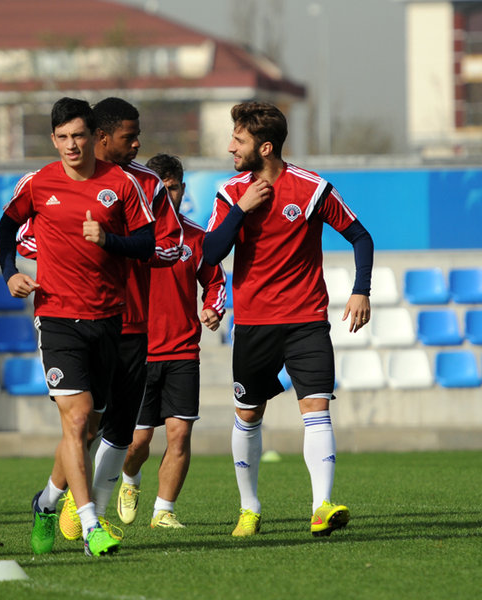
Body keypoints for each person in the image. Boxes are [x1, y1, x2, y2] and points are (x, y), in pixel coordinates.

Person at [202, 101, 374, 537]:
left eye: (238, 140)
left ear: (265, 147)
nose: (230, 147)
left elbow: (360, 237)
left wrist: (361, 290)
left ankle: (321, 506)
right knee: (248, 414)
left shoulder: (312, 188)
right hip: (254, 323)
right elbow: (210, 253)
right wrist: (241, 209)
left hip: (306, 321)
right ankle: (249, 508)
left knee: (316, 408)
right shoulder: (230, 193)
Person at [0, 97, 155, 557]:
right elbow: (5, 229)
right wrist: (10, 273)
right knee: (78, 417)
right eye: (63, 137)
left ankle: (46, 503)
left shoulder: (121, 184)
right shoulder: (38, 183)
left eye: (78, 136)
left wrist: (109, 240)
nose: (71, 145)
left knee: (87, 429)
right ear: (53, 139)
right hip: (57, 316)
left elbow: (147, 243)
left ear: (93, 137)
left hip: (107, 319)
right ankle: (90, 527)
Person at [39, 98, 183, 542]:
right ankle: (57, 503)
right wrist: (70, 245)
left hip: (133, 321)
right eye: (129, 136)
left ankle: (89, 517)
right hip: (77, 315)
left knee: (119, 430)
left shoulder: (147, 185)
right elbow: (27, 236)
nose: (137, 144)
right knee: (82, 424)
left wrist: (116, 243)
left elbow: (170, 245)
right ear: (100, 137)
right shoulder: (55, 183)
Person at [117, 153, 226, 529]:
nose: (169, 195)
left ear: (183, 189)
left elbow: (215, 282)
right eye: (161, 189)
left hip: (183, 351)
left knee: (179, 434)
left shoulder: (195, 238)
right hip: (140, 350)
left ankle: (163, 510)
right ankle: (130, 478)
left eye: (175, 188)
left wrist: (212, 308)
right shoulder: (134, 238)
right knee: (137, 442)